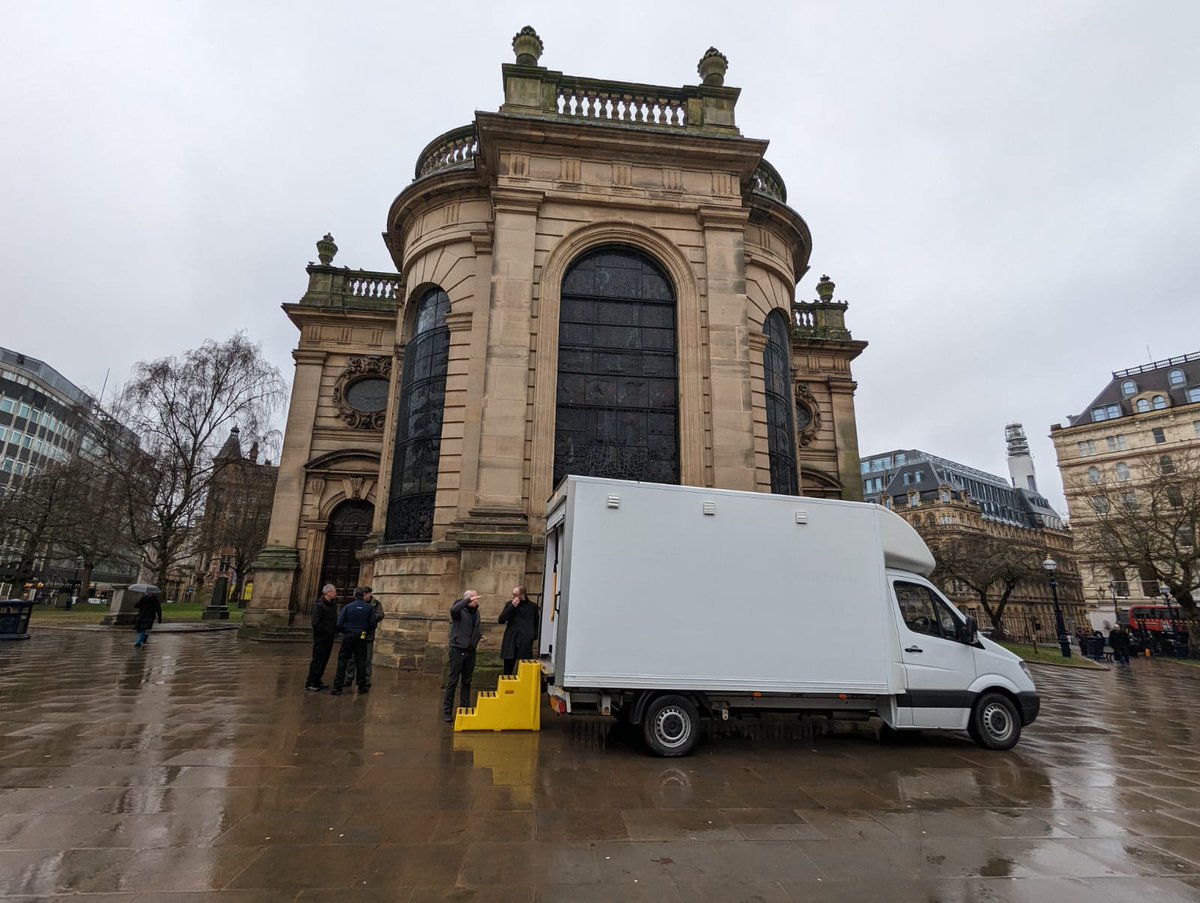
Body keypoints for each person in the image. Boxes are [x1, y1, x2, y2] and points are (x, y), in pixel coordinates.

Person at [442, 590, 482, 722]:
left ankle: (465, 708)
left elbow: (472, 628)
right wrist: (466, 600)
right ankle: (447, 710)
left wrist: (478, 637)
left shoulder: (476, 612)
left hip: (471, 651)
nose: (477, 599)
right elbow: (453, 610)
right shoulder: (459, 610)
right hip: (457, 650)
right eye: (474, 597)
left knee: (467, 681)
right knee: (453, 681)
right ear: (468, 599)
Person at [331, 590, 375, 696]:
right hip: (362, 636)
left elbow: (339, 623)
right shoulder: (369, 608)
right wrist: (364, 631)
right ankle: (361, 686)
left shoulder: (348, 607)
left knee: (343, 661)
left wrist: (346, 631)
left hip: (349, 636)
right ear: (363, 596)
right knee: (361, 661)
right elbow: (373, 623)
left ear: (354, 596)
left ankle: (338, 687)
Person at [343, 587, 384, 690]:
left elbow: (381, 614)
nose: (369, 596)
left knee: (367, 658)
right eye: (367, 594)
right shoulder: (357, 604)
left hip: (368, 636)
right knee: (352, 658)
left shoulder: (376, 603)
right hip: (356, 635)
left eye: (369, 594)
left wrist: (370, 617)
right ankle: (348, 678)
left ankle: (366, 679)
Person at [498, 585, 539, 676]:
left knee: (525, 668)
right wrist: (512, 606)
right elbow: (501, 620)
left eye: (516, 595)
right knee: (508, 668)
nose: (513, 597)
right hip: (511, 639)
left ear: (522, 595)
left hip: (525, 640)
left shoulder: (532, 607)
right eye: (513, 594)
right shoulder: (509, 604)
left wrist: (533, 635)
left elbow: (536, 622)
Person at [305, 584, 339, 691]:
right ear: (328, 593)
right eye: (334, 592)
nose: (335, 593)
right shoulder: (319, 605)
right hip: (321, 638)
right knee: (318, 660)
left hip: (329, 637)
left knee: (324, 660)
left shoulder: (332, 605)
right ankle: (311, 682)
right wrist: (327, 631)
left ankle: (317, 680)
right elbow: (315, 623)